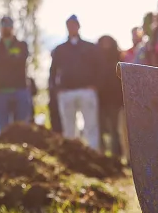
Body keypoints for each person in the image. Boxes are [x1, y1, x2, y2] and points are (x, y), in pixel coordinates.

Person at [49, 15, 102, 150]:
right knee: (69, 128)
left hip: (86, 90)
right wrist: (57, 89)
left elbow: (99, 67)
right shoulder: (60, 49)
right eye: (69, 25)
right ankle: (71, 156)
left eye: (74, 24)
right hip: (67, 92)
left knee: (91, 126)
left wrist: (95, 85)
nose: (72, 27)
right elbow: (53, 71)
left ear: (78, 26)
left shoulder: (90, 47)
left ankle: (93, 153)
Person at [0, 16, 32, 130]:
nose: (6, 29)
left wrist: (4, 59)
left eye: (8, 26)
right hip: (1, 91)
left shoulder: (22, 45)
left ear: (12, 28)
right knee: (3, 128)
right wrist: (12, 58)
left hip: (20, 90)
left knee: (22, 127)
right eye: (3, 26)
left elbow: (21, 60)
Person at [96, 35, 125, 160]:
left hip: (115, 100)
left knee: (115, 129)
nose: (106, 45)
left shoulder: (119, 59)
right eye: (103, 42)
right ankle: (100, 155)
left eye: (108, 42)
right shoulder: (96, 60)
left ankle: (116, 156)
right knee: (100, 128)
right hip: (100, 99)